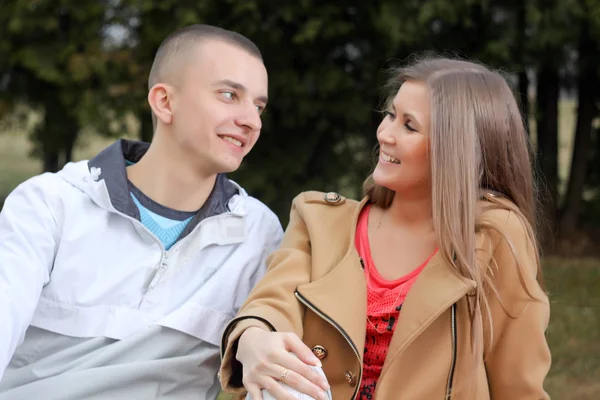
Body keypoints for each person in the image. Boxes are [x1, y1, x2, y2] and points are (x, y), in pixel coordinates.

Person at [219, 57, 551, 400]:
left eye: (409, 125)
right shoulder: (319, 220)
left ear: (456, 148)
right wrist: (254, 337)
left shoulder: (492, 237)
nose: (384, 134)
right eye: (391, 115)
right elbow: (273, 301)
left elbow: (517, 384)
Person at [0, 24, 283, 399]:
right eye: (229, 95)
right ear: (165, 102)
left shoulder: (259, 233)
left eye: (258, 105)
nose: (252, 120)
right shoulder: (49, 204)